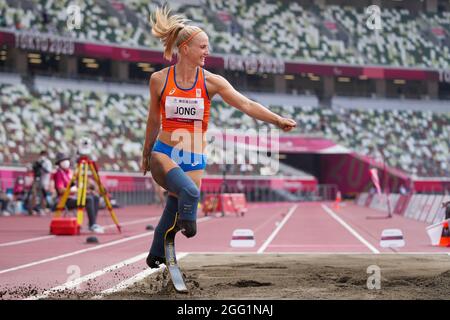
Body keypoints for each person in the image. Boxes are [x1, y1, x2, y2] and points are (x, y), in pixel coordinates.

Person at [141, 7, 296, 268]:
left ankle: (157, 250)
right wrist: (146, 153)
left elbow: (246, 104)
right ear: (186, 48)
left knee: (174, 207)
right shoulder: (159, 79)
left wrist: (277, 120)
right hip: (163, 152)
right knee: (189, 194)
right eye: (203, 46)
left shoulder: (212, 82)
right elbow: (153, 120)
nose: (207, 52)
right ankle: (185, 225)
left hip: (193, 157)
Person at [53, 153, 104, 233]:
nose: (66, 162)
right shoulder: (59, 174)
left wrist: (87, 190)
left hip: (74, 197)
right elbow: (61, 190)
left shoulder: (69, 173)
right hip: (65, 201)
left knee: (95, 197)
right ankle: (92, 225)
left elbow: (77, 185)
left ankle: (93, 223)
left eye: (66, 160)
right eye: (63, 160)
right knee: (89, 199)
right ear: (59, 163)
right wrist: (77, 191)